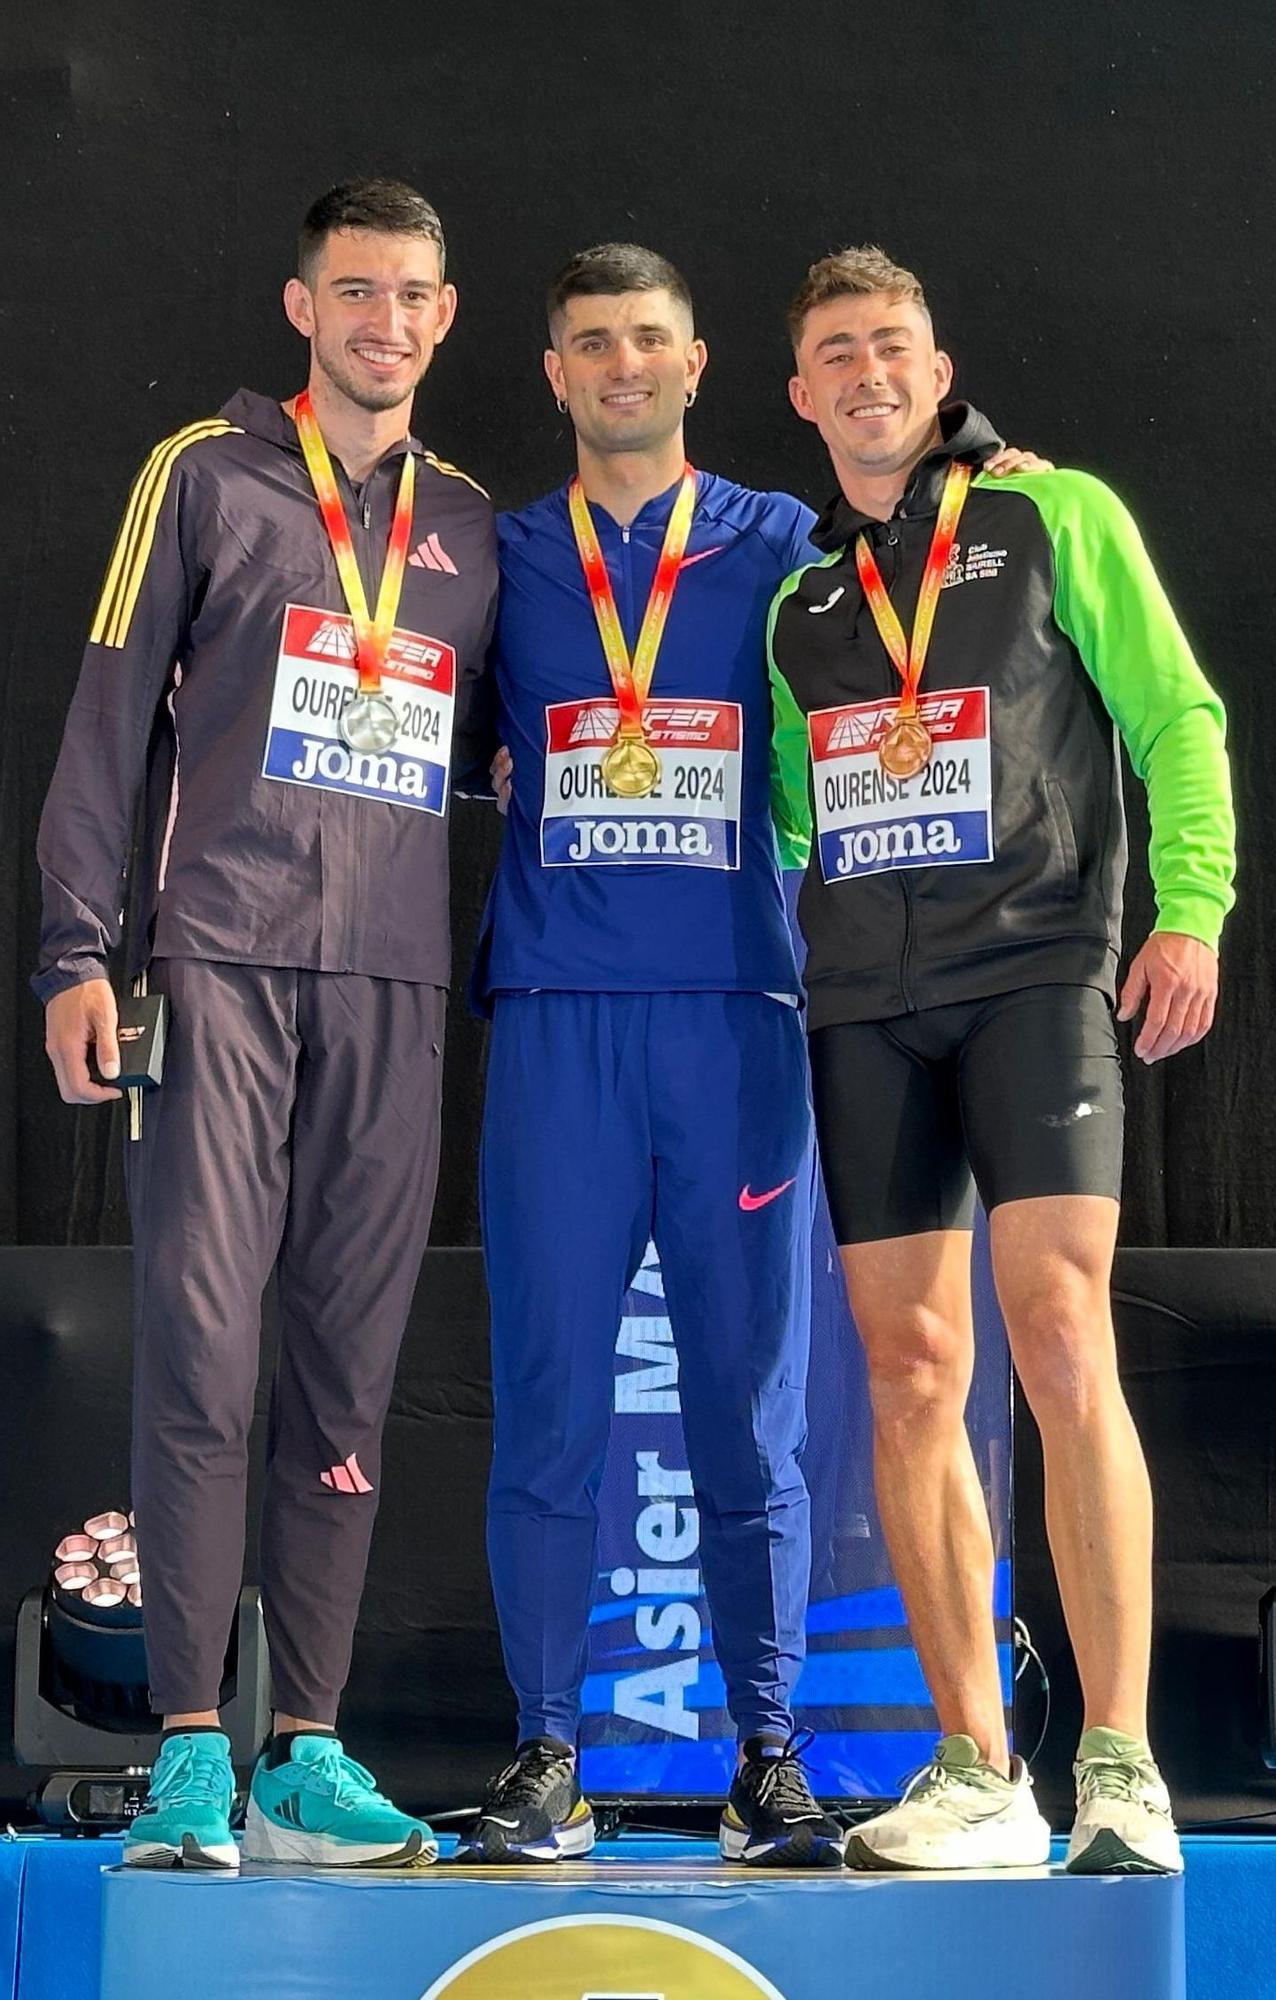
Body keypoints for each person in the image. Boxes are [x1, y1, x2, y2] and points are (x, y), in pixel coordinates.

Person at [461, 242, 1040, 1870]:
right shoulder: (505, 556)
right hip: (560, 1028)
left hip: (740, 1024)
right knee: (553, 1406)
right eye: (592, 343)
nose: (622, 365)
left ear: (700, 362)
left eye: (650, 338)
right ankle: (548, 1756)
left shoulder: (789, 546)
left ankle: (771, 1754)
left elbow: (951, 565)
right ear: (556, 370)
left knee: (749, 1409)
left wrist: (1005, 470)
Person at [34, 178, 497, 1870]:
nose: (387, 320)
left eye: (416, 295)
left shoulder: (475, 528)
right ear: (302, 306)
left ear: (447, 318)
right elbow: (104, 728)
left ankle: (305, 1740)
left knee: (345, 1374)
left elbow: (540, 728)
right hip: (217, 964)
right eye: (356, 290)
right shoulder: (203, 474)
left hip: (393, 987)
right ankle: (180, 1744)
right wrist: (76, 955)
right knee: (205, 1352)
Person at [767, 244, 1235, 1875]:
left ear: (939, 366)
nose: (867, 373)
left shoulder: (1058, 515)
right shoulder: (801, 604)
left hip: (1039, 971)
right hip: (864, 1008)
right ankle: (980, 1767)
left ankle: (1120, 1760)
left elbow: (1177, 720)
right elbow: (782, 815)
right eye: (837, 352)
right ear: (805, 389)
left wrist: (1192, 912)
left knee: (1055, 1330)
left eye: (892, 344)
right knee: (909, 1378)